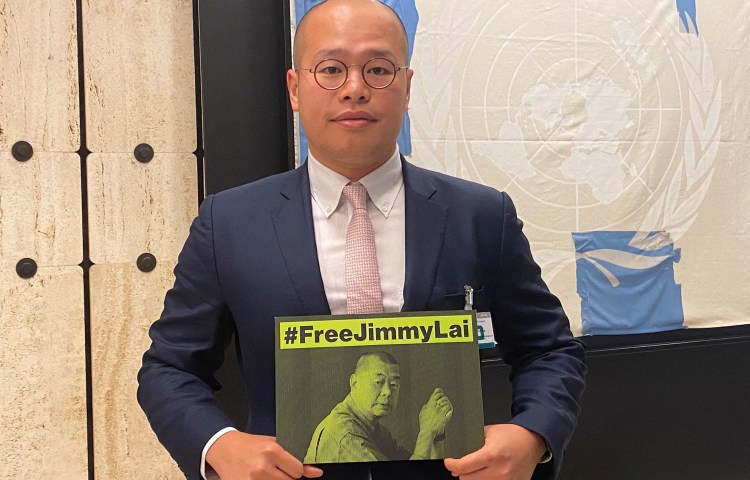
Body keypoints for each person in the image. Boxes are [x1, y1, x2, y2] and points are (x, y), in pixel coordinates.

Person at [137, 1, 586, 479]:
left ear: (407, 87)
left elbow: (549, 350)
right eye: (331, 69)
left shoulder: (480, 215)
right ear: (294, 88)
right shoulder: (228, 223)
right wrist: (218, 447)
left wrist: (533, 434)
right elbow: (169, 369)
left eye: (378, 69)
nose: (355, 89)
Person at [304, 352, 453, 463]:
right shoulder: (345, 434)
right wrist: (426, 432)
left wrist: (436, 434)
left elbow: (423, 470)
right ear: (354, 383)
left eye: (394, 385)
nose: (387, 392)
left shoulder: (376, 430)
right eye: (378, 382)